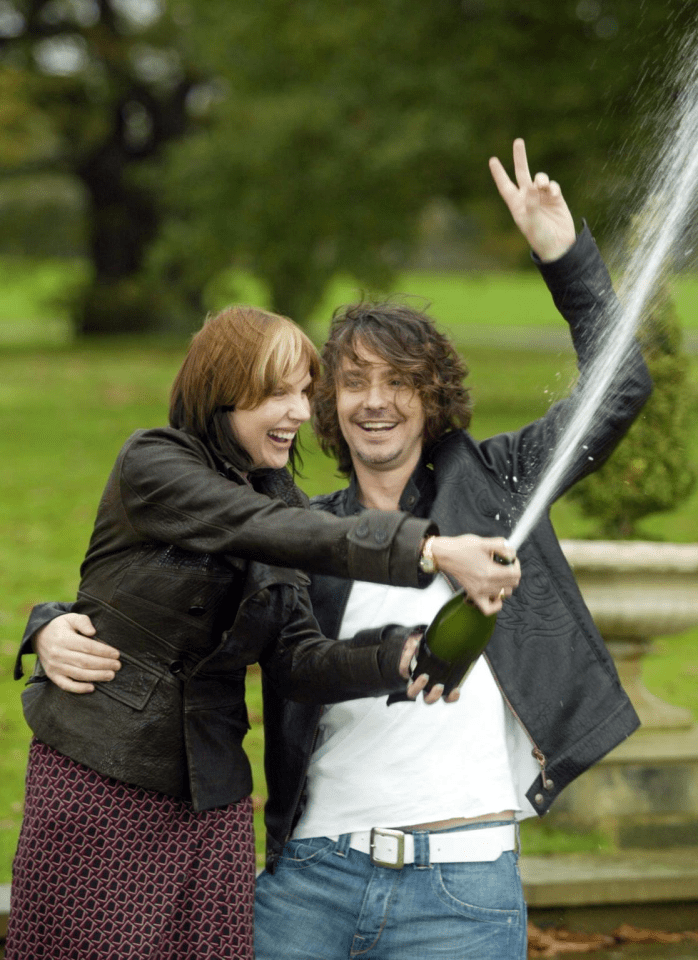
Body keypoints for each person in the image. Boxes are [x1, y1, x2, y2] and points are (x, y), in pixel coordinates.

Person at [16, 138, 652, 959]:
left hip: (462, 886)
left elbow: (621, 384)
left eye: (399, 382)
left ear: (435, 394)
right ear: (329, 402)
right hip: (310, 880)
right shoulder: (302, 527)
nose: (376, 403)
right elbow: (191, 603)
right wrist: (53, 620)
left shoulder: (503, 490)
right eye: (353, 382)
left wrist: (563, 255)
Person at [6, 303, 520, 960]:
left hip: (213, 801)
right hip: (104, 782)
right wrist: (434, 551)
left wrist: (397, 657)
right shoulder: (154, 463)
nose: (303, 411)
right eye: (279, 393)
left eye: (305, 392)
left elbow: (298, 660)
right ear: (224, 394)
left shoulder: (281, 501)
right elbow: (269, 530)